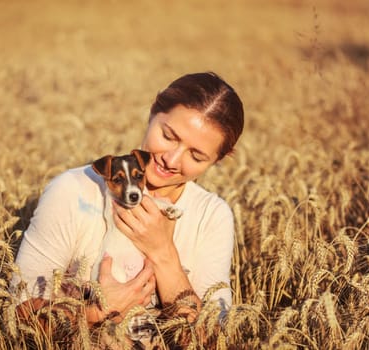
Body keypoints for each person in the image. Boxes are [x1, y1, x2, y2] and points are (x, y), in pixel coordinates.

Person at [12, 72, 244, 344]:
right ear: (153, 111)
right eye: (168, 136)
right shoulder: (74, 190)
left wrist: (163, 252)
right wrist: (97, 311)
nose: (171, 160)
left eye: (196, 155)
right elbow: (17, 312)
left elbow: (211, 339)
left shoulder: (211, 216)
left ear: (218, 159)